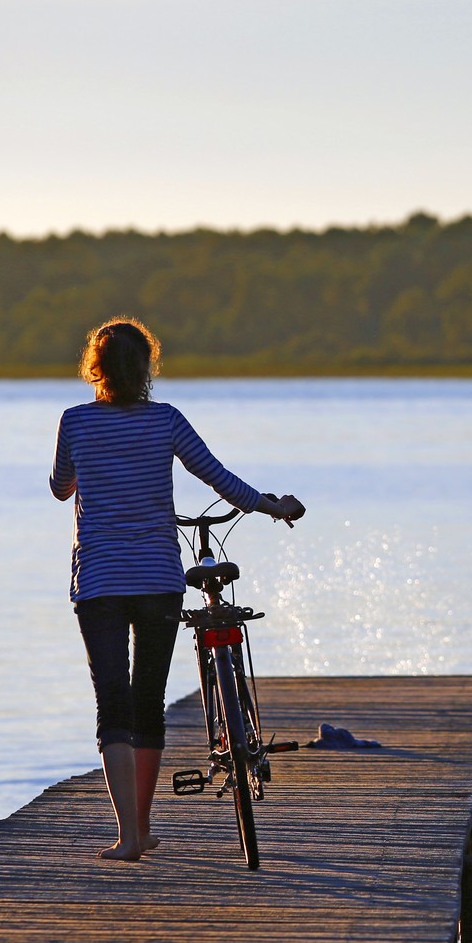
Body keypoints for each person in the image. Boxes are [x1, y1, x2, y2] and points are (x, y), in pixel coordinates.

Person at [49, 317, 303, 861]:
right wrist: (272, 506)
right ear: (146, 369)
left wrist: (84, 475)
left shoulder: (74, 422)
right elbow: (220, 478)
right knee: (148, 704)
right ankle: (144, 825)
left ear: (95, 368)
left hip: (98, 582)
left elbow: (58, 487)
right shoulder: (166, 421)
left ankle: (128, 838)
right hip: (158, 581)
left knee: (111, 706)